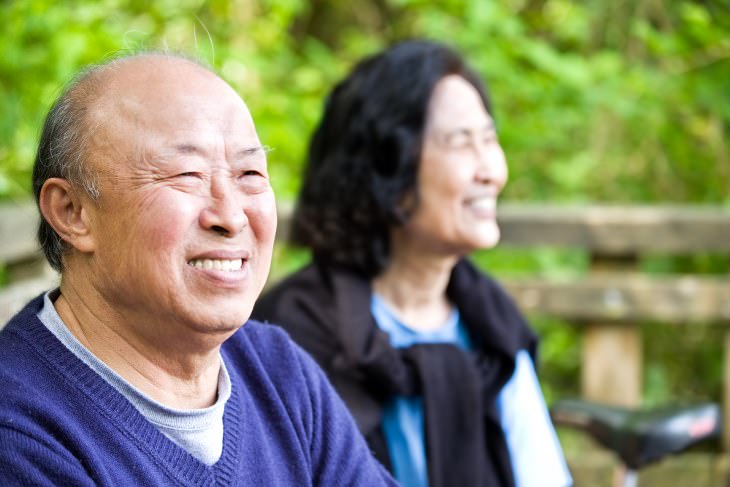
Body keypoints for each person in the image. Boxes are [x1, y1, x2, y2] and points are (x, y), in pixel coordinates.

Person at [0, 52, 397, 486]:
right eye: (186, 174)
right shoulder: (22, 434)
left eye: (249, 173)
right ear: (73, 212)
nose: (231, 215)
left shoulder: (275, 370)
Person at [253, 40, 572, 487]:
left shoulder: (491, 322)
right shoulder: (292, 331)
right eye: (462, 143)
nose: (492, 170)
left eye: (489, 138)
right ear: (387, 167)